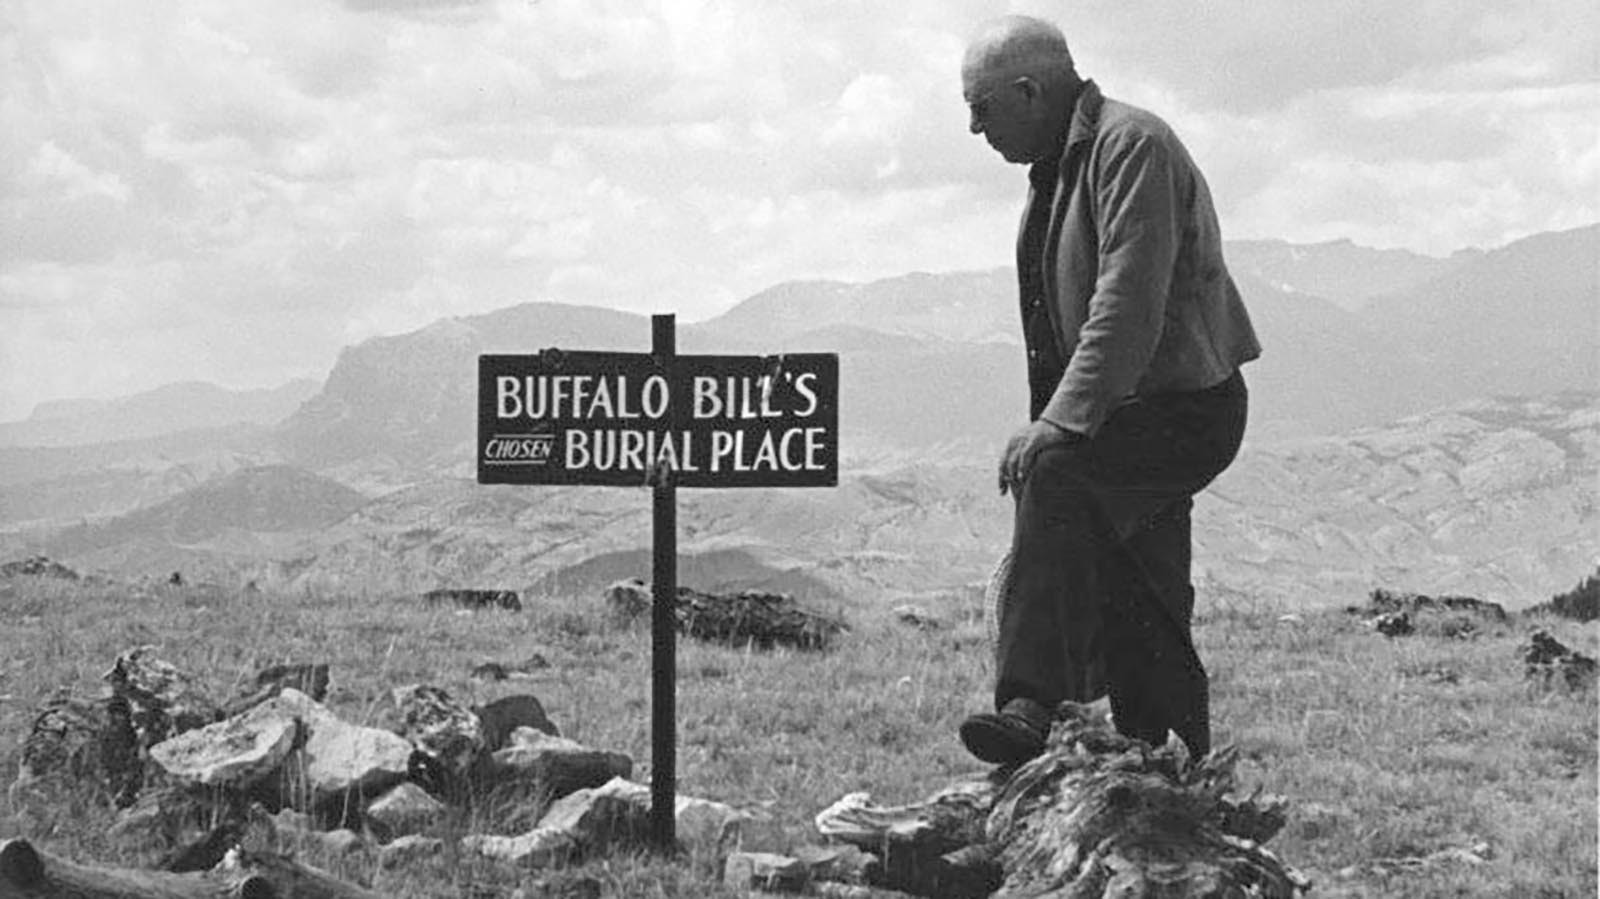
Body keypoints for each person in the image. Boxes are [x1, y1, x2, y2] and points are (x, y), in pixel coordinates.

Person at [956, 15, 1261, 766]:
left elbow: (1126, 305)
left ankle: (1030, 703)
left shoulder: (1131, 147)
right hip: (1129, 413)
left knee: (1058, 476)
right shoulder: (1064, 167)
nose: (973, 128)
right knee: (1144, 585)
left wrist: (1058, 426)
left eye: (982, 106)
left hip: (1183, 409)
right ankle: (1169, 758)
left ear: (1030, 91)